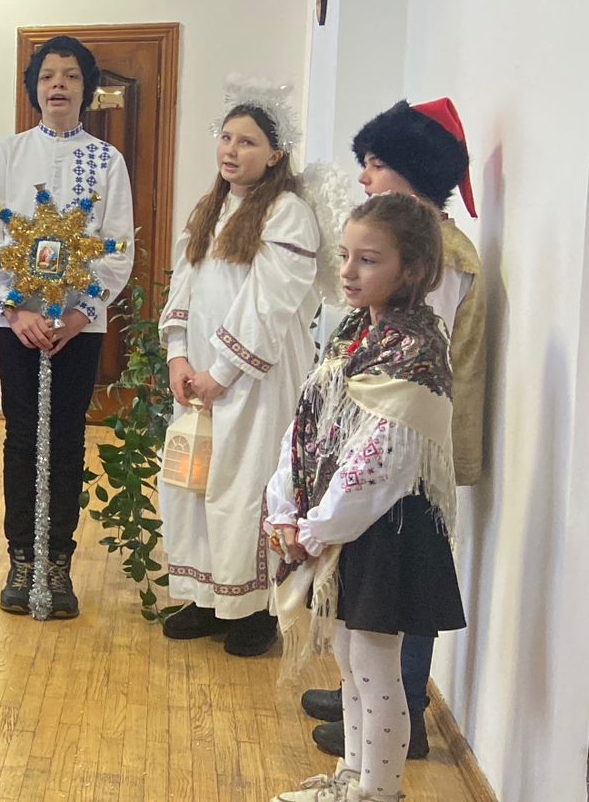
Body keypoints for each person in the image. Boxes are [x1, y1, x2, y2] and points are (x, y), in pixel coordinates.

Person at [302, 98, 486, 760]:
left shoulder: (441, 256)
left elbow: (406, 367)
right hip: (381, 443)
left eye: (376, 163)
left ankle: (402, 710)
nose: (365, 177)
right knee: (367, 608)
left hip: (408, 450)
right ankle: (367, 702)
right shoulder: (418, 243)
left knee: (397, 591)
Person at [267, 193, 465, 802]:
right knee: (351, 659)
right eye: (346, 255)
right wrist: (287, 505)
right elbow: (309, 425)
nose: (349, 271)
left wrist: (320, 527)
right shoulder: (352, 333)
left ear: (412, 269)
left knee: (378, 670)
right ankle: (352, 779)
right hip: (348, 524)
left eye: (369, 260)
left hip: (388, 526)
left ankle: (380, 792)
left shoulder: (418, 347)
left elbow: (382, 458)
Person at [0, 35, 134, 617]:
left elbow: (117, 246)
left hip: (78, 328)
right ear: (34, 87)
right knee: (21, 437)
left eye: (70, 75)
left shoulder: (106, 160)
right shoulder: (6, 155)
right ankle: (21, 558)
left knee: (66, 439)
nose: (58, 85)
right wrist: (16, 310)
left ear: (87, 88)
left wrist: (77, 314)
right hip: (17, 324)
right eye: (47, 75)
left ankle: (58, 563)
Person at [158, 98, 320, 656]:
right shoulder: (210, 208)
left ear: (275, 154)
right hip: (200, 376)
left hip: (256, 378)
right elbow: (184, 285)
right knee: (196, 482)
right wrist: (179, 356)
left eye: (247, 141)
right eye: (226, 137)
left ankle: (256, 608)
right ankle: (208, 597)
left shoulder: (287, 213)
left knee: (247, 486)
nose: (231, 150)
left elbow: (269, 304)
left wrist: (222, 371)